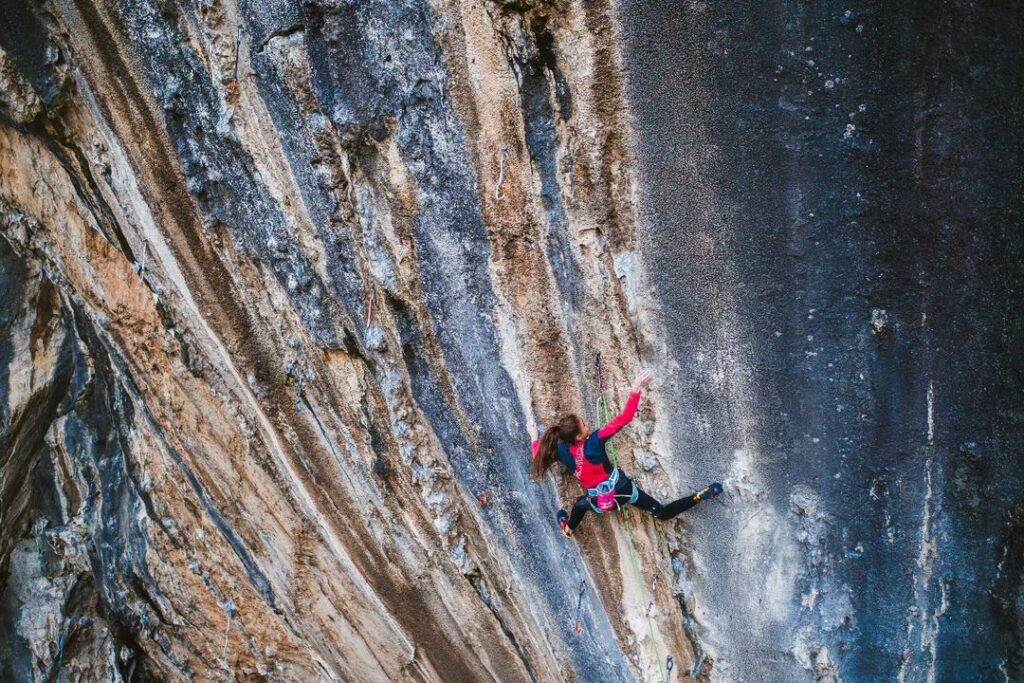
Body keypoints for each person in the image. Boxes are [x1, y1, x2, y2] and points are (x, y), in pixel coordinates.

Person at [527, 369, 722, 538]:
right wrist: (635, 389)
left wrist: (534, 437)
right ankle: (697, 496)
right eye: (584, 424)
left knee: (579, 504)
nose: (587, 423)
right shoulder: (594, 441)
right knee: (662, 513)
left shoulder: (561, 451)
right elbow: (625, 418)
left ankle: (568, 529)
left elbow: (539, 455)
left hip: (601, 502)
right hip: (624, 491)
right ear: (578, 436)